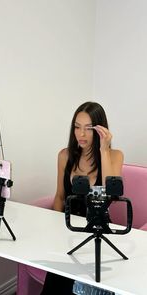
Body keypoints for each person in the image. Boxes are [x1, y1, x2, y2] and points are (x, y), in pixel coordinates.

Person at [41, 101, 123, 295]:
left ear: (100, 130)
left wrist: (104, 149)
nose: (81, 134)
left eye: (88, 128)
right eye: (77, 127)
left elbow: (111, 193)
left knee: (88, 284)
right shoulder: (65, 155)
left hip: (98, 228)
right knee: (58, 278)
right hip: (69, 227)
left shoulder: (115, 155)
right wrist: (56, 229)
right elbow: (60, 196)